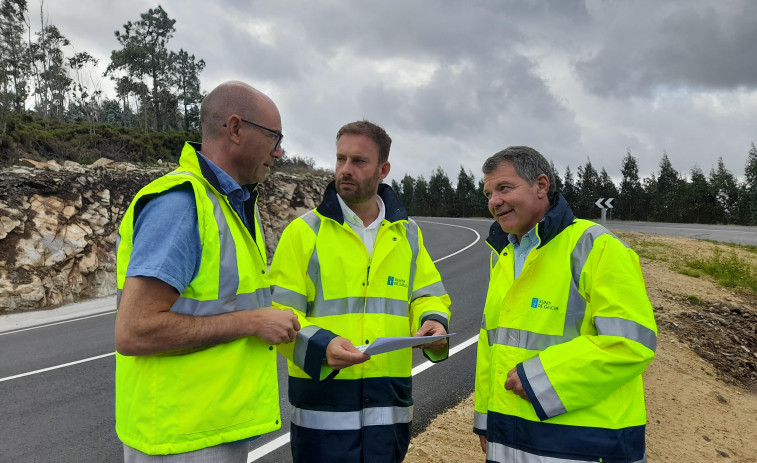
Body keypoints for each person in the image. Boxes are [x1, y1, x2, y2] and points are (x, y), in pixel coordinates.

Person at [114, 81, 301, 462]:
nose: (279, 152)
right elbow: (134, 331)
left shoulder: (228, 206)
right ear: (235, 129)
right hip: (181, 441)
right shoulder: (182, 205)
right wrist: (250, 323)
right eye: (274, 138)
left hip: (207, 430)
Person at [268, 120, 452, 463]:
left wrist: (434, 322)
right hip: (323, 411)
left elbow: (428, 293)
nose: (345, 170)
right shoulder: (302, 234)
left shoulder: (407, 234)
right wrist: (321, 347)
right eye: (341, 159)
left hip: (389, 411)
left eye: (358, 161)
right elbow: (278, 315)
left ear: (383, 169)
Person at [473, 146, 657, 463]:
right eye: (489, 193)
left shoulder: (594, 246)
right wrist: (485, 421)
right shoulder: (502, 255)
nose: (494, 201)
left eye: (504, 188)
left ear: (541, 186)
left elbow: (631, 343)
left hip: (585, 444)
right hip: (510, 439)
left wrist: (540, 377)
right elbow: (492, 344)